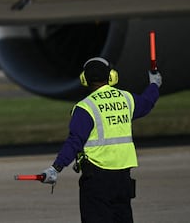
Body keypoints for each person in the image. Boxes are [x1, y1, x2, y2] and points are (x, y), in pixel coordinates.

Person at [40, 57, 162, 222]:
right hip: (122, 178)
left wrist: (56, 168)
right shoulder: (126, 99)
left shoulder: (86, 107)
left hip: (97, 179)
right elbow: (147, 102)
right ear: (111, 76)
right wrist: (154, 84)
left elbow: (74, 142)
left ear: (84, 80)